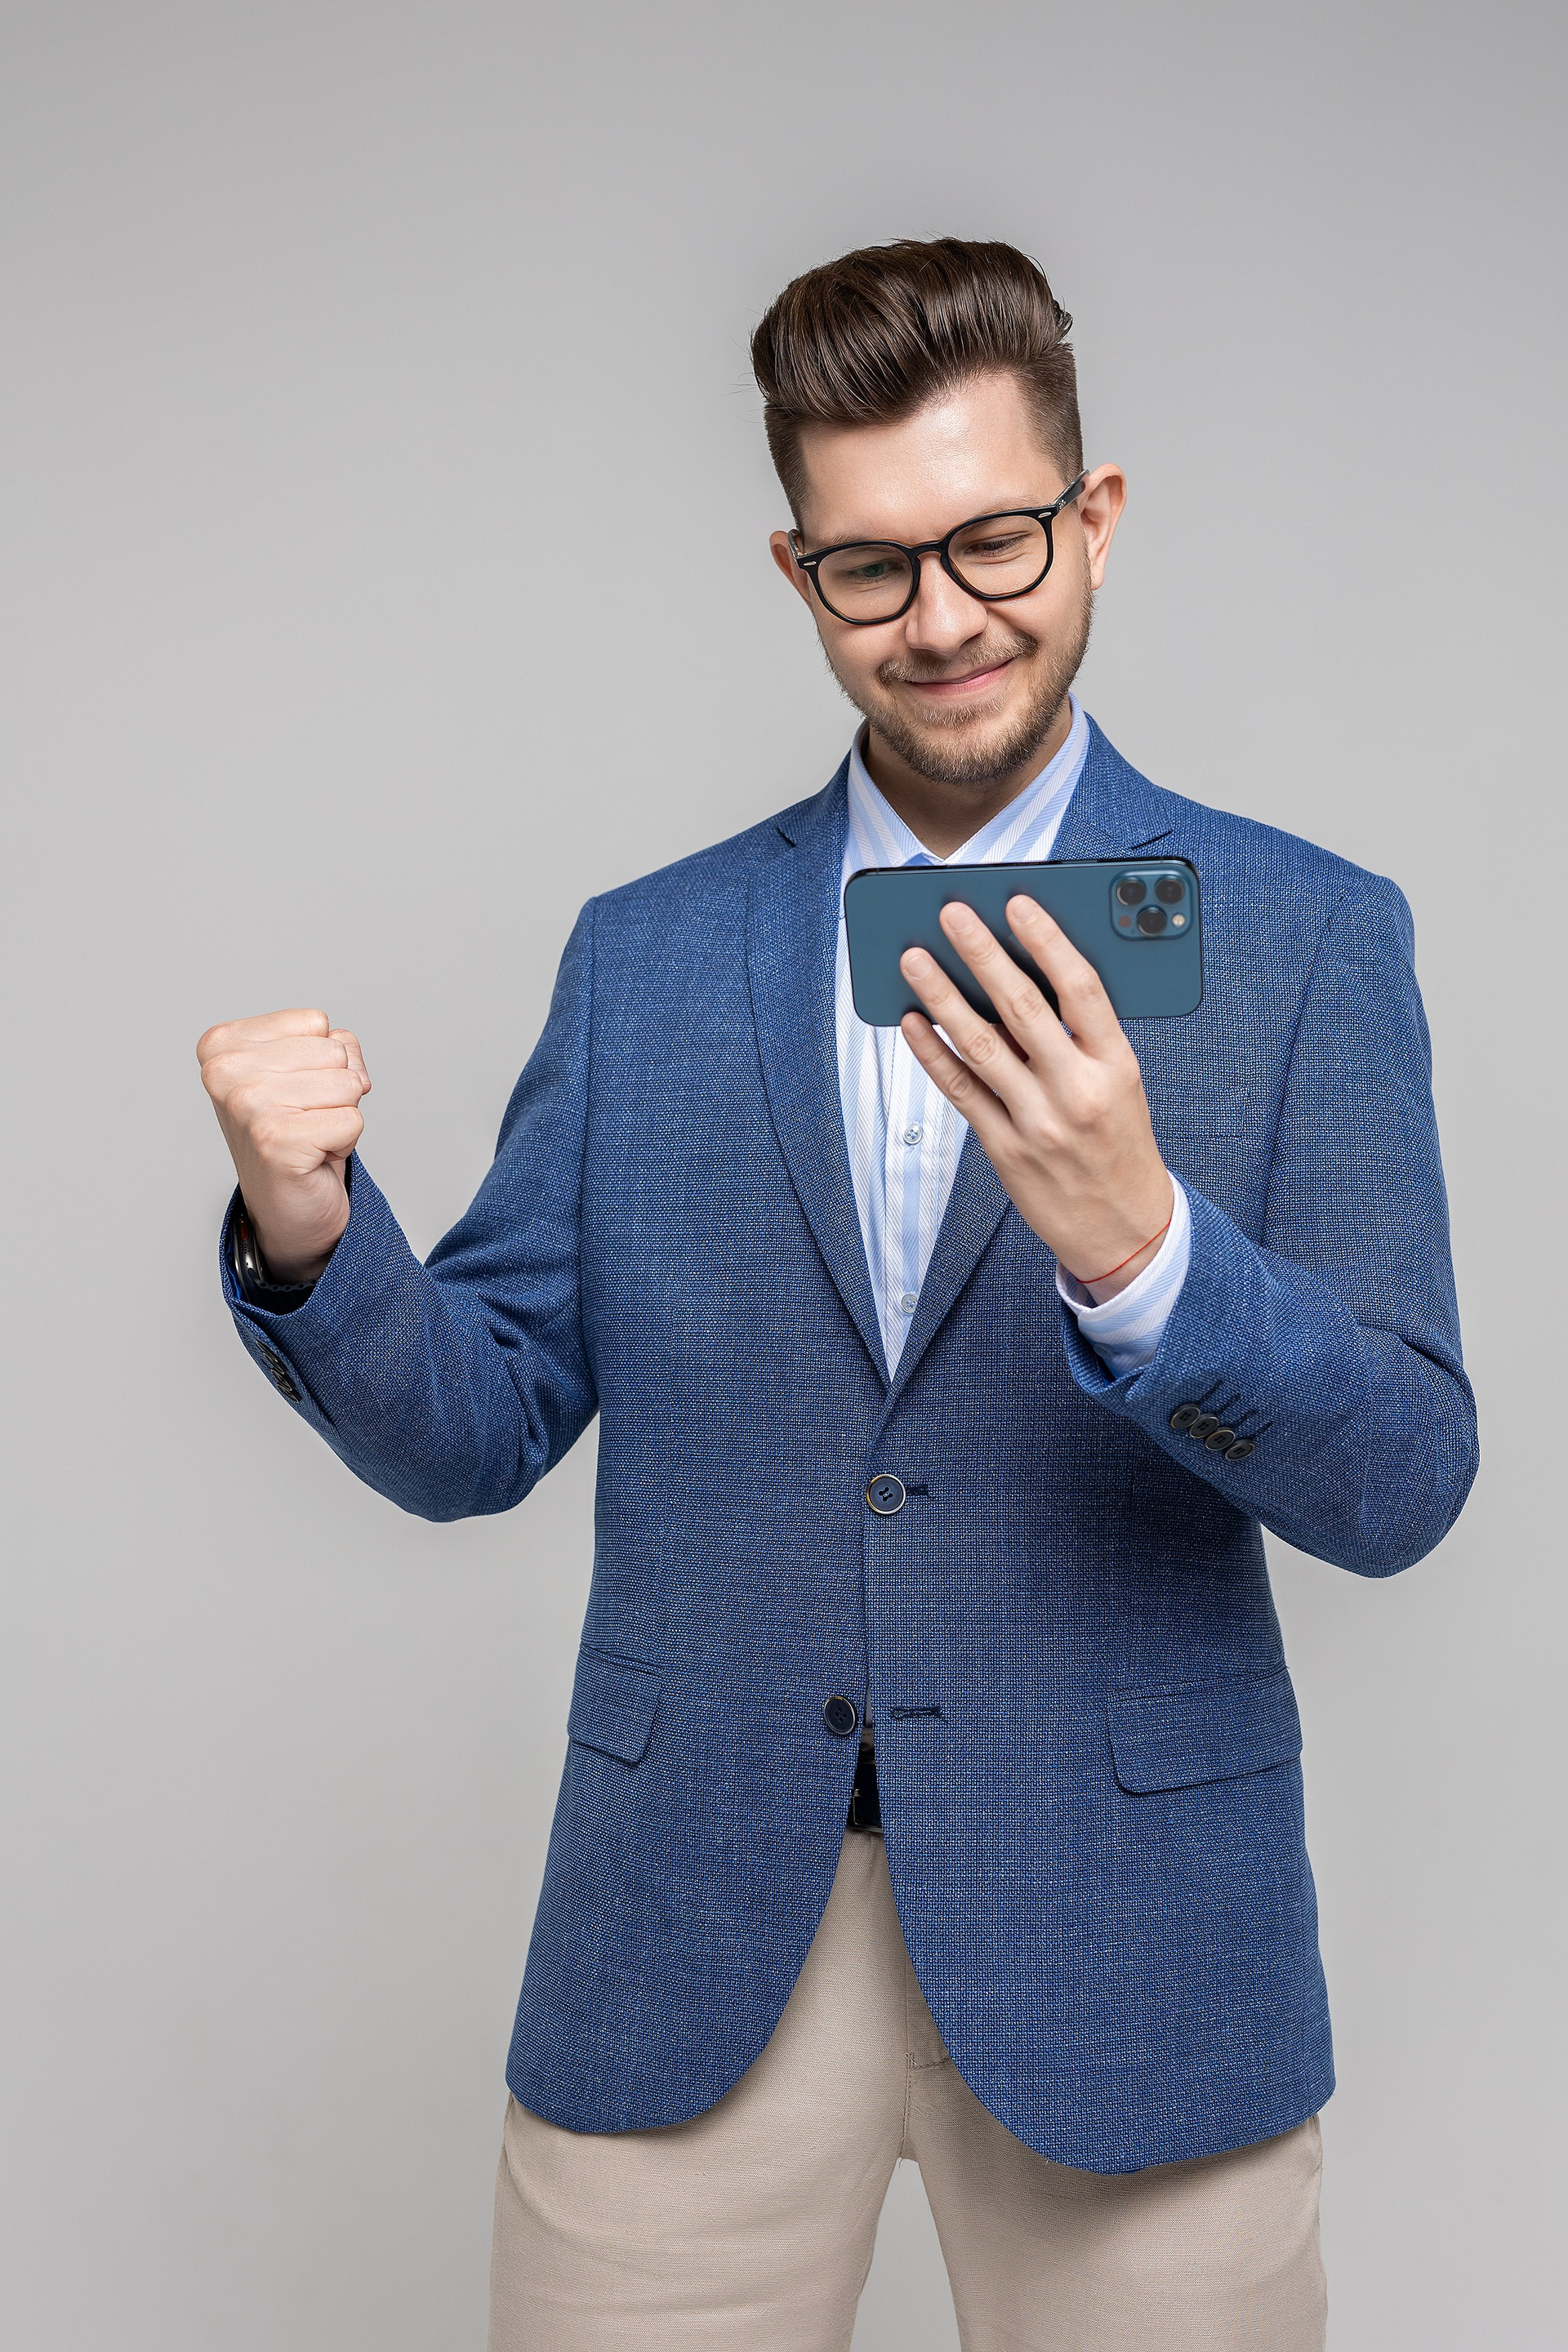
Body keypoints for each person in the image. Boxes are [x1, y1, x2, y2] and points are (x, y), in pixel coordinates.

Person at [197, 238, 1477, 2352]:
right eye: (873, 567)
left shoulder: (1301, 939)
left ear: (1097, 516)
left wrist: (1144, 1256)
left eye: (995, 540)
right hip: (690, 1929)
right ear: (797, 573)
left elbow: (1405, 1478)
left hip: (1132, 1947)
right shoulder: (646, 957)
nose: (944, 618)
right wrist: (311, 1233)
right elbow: (475, 1427)